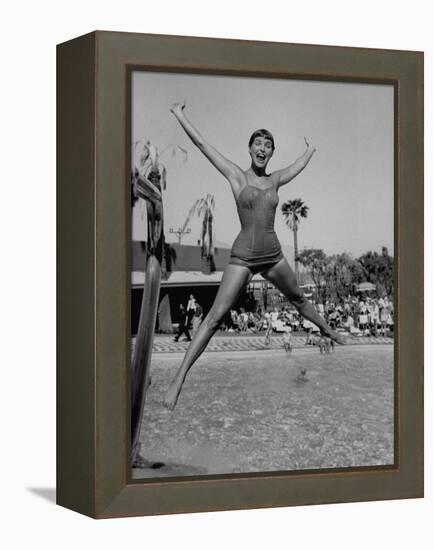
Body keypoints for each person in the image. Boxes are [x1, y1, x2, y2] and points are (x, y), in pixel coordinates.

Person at [164, 100, 345, 409]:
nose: (263, 148)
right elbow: (203, 144)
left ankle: (328, 329)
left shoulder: (274, 179)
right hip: (244, 257)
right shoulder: (236, 176)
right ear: (249, 149)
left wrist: (310, 150)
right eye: (258, 143)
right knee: (214, 318)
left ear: (271, 152)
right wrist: (180, 115)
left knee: (299, 299)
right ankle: (178, 380)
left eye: (269, 145)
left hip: (273, 255)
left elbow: (296, 167)